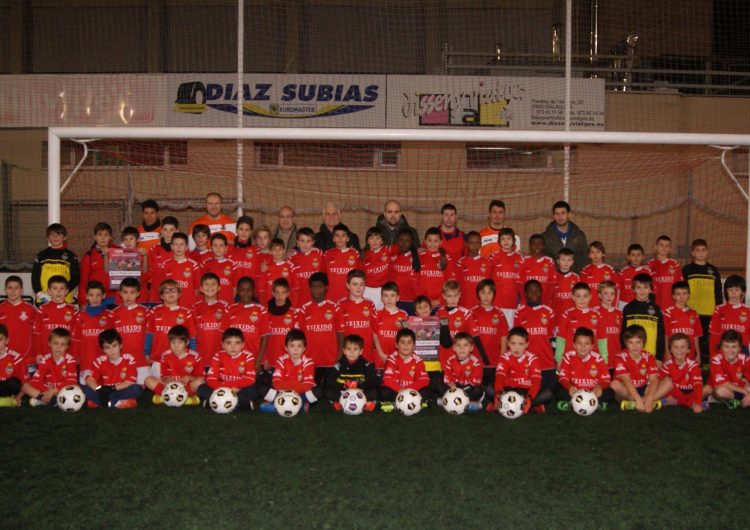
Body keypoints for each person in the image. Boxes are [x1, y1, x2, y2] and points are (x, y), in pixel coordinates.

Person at [490, 327, 550, 414]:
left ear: (527, 344)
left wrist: (530, 397)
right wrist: (498, 392)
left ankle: (504, 405)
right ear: (508, 343)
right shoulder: (504, 357)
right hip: (508, 390)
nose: (516, 348)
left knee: (547, 394)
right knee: (489, 388)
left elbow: (536, 382)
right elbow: (500, 377)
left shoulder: (532, 358)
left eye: (521, 344)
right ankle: (532, 406)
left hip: (525, 391)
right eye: (513, 343)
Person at [259, 329, 321, 413]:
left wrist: (289, 387)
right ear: (286, 348)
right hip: (283, 393)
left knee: (318, 391)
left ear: (304, 348)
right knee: (262, 389)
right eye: (292, 346)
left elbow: (308, 385)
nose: (296, 350)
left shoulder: (308, 362)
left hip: (299, 394)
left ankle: (276, 406)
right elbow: (276, 383)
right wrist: (296, 386)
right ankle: (300, 406)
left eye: (299, 346)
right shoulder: (281, 360)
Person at [296, 272, 343, 379]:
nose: (316, 290)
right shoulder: (304, 309)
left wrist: (340, 353)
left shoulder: (335, 307)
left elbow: (340, 332)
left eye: (319, 287)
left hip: (331, 360)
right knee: (313, 391)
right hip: (310, 360)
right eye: (313, 287)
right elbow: (299, 336)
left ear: (326, 287)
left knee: (329, 392)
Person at [197, 327, 259, 410]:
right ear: (223, 345)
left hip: (239, 389)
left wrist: (234, 388)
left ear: (242, 345)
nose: (233, 347)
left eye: (237, 343)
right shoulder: (218, 356)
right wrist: (226, 388)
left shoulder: (248, 356)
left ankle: (215, 402)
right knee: (202, 388)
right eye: (229, 343)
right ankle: (239, 404)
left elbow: (250, 379)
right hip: (221, 388)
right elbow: (211, 379)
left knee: (253, 390)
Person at [144, 279, 197, 374]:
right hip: (158, 358)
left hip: (180, 358)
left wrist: (193, 354)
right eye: (167, 291)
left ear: (179, 294)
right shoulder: (154, 311)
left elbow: (192, 336)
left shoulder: (186, 313)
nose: (170, 293)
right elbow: (149, 334)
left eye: (173, 290)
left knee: (178, 386)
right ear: (161, 296)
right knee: (159, 386)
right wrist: (147, 352)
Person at [682, 238, 722, 360]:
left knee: (706, 341)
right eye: (697, 250)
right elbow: (682, 290)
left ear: (707, 252)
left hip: (709, 312)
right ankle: (689, 363)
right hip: (692, 312)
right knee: (691, 339)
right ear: (692, 253)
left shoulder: (713, 270)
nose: (700, 253)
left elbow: (718, 290)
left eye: (703, 250)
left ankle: (705, 365)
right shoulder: (687, 270)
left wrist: (718, 309)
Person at [83, 329, 143, 409]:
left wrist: (112, 388)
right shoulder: (99, 361)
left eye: (114, 346)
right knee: (86, 389)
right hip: (103, 391)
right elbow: (89, 379)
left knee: (137, 388)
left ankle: (101, 403)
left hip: (120, 389)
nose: (111, 350)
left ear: (120, 345)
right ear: (103, 349)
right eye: (107, 347)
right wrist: (99, 390)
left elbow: (129, 382)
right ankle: (119, 403)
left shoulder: (129, 359)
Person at [146, 324, 204, 405]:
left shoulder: (195, 356)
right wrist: (168, 379)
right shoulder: (165, 355)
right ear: (169, 342)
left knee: (199, 382)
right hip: (170, 386)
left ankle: (165, 397)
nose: (176, 346)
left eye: (180, 342)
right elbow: (164, 376)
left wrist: (190, 377)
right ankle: (186, 399)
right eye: (173, 342)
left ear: (187, 342)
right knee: (148, 380)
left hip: (186, 387)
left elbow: (201, 377)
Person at [557, 327, 612, 410]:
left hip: (592, 391)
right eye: (579, 343)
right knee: (558, 391)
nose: (583, 347)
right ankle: (596, 404)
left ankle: (572, 404)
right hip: (575, 391)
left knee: (610, 393)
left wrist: (600, 387)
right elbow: (563, 378)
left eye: (587, 344)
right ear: (574, 345)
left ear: (592, 346)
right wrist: (569, 387)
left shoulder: (598, 358)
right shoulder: (568, 357)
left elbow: (606, 380)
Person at [471, 279, 509, 398]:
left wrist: (502, 360)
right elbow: (467, 339)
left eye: (489, 293)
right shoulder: (472, 313)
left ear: (494, 294)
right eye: (483, 292)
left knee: (493, 391)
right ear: (478, 294)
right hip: (476, 363)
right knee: (474, 391)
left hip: (493, 363)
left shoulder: (500, 314)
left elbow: (504, 337)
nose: (486, 296)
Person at [21, 327, 77, 407]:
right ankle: (50, 400)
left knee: (76, 388)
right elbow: (35, 381)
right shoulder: (44, 360)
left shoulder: (70, 360)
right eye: (56, 343)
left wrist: (53, 391)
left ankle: (44, 399)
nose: (59, 347)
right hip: (48, 390)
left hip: (62, 390)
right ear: (49, 343)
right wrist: (48, 391)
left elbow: (72, 381)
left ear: (67, 346)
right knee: (25, 387)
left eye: (63, 344)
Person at [654, 333, 709, 413]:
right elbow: (661, 384)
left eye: (682, 347)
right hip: (674, 393)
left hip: (690, 394)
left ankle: (681, 402)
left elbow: (697, 385)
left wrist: (697, 403)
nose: (679, 350)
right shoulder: (667, 365)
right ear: (671, 350)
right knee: (665, 383)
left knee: (706, 389)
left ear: (688, 350)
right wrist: (669, 395)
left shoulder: (693, 365)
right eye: (676, 347)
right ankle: (682, 402)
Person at [610, 325, 660, 412]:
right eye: (631, 342)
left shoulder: (649, 356)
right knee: (614, 384)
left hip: (644, 388)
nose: (635, 346)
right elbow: (626, 381)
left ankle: (640, 402)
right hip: (627, 390)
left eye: (638, 342)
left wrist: (649, 398)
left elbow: (654, 380)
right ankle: (640, 401)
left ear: (643, 342)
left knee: (668, 382)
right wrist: (638, 400)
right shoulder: (619, 357)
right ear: (626, 343)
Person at [71, 280, 114, 382]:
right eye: (91, 295)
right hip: (86, 362)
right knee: (88, 389)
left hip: (105, 361)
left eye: (98, 295)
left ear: (103, 296)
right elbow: (76, 340)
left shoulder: (109, 315)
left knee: (104, 388)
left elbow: (113, 340)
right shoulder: (80, 316)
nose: (94, 298)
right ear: (86, 296)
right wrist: (75, 357)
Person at [380, 328, 431, 412]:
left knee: (427, 391)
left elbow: (424, 380)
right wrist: (400, 390)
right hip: (397, 391)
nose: (406, 345)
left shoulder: (418, 360)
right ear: (396, 345)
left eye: (409, 342)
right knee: (384, 392)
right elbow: (387, 380)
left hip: (412, 391)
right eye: (402, 342)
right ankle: (417, 403)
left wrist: (408, 390)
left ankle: (395, 404)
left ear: (414, 346)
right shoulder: (391, 359)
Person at [111, 277, 150, 384]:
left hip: (141, 357)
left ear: (138, 293)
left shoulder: (145, 312)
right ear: (120, 293)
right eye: (125, 292)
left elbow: (150, 335)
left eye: (132, 292)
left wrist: (148, 352)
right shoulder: (114, 314)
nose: (128, 296)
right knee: (124, 384)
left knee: (143, 385)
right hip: (122, 358)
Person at [324, 334, 378, 410]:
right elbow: (330, 380)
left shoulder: (366, 365)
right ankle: (343, 402)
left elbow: (372, 381)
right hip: (343, 392)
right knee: (327, 392)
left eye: (355, 349)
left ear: (361, 351)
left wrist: (358, 386)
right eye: (349, 349)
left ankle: (360, 403)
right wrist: (344, 386)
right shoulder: (339, 365)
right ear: (344, 351)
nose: (352, 352)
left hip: (360, 392)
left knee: (374, 393)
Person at [514, 280, 555, 379]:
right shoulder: (519, 312)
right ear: (525, 294)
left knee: (549, 393)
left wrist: (555, 358)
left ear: (541, 292)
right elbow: (517, 341)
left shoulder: (549, 312)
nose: (534, 293)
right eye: (530, 291)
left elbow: (551, 339)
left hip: (546, 363)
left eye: (537, 290)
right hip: (527, 363)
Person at [149, 232, 203, 308]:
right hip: (169, 307)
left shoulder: (194, 265)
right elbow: (161, 288)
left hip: (188, 307)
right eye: (176, 244)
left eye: (182, 244)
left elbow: (197, 290)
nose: (178, 247)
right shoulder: (165, 265)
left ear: (186, 247)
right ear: (171, 246)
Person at [32, 223, 80, 304]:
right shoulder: (41, 255)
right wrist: (40, 294)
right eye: (52, 234)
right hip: (44, 300)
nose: (55, 237)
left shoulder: (71, 256)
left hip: (65, 299)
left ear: (64, 237)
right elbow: (35, 276)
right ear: (47, 238)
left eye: (58, 234)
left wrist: (64, 292)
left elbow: (76, 277)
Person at [32, 275, 78, 360]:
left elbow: (75, 337)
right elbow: (37, 334)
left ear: (66, 291)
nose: (58, 292)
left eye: (62, 288)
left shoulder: (73, 311)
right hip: (45, 357)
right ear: (49, 291)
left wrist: (73, 355)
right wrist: (38, 353)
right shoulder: (42, 310)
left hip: (66, 358)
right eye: (55, 288)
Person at [435, 332, 484, 411]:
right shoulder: (450, 361)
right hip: (454, 386)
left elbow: (475, 382)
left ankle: (449, 401)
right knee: (438, 382)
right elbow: (448, 378)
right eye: (458, 345)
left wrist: (460, 391)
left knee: (478, 390)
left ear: (471, 348)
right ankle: (465, 403)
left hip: (468, 388)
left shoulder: (476, 362)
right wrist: (451, 384)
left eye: (465, 345)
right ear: (454, 348)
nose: (462, 348)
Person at [621, 273, 665, 361]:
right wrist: (624, 351)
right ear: (633, 289)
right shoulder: (628, 308)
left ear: (651, 289)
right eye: (638, 287)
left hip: (651, 355)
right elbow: (624, 332)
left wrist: (659, 357)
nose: (642, 291)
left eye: (645, 287)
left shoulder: (656, 309)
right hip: (632, 354)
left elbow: (661, 334)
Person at [338, 269, 378, 365]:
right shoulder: (340, 305)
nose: (359, 288)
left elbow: (375, 331)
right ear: (348, 285)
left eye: (362, 284)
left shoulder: (370, 304)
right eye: (355, 284)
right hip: (348, 357)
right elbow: (338, 333)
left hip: (368, 356)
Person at [555, 283, 602, 362]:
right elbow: (561, 338)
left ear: (590, 297)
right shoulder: (567, 314)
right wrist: (559, 358)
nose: (582, 299)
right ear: (573, 297)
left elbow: (602, 339)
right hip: (570, 358)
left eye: (585, 296)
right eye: (578, 296)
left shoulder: (597, 315)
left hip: (592, 358)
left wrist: (604, 357)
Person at [259, 278, 298, 371]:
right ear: (272, 293)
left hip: (287, 361)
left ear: (288, 293)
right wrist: (264, 358)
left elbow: (296, 340)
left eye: (283, 292)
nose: (280, 296)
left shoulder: (294, 313)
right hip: (269, 361)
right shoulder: (265, 313)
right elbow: (262, 337)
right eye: (277, 292)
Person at [0, 275, 37, 371]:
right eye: (10, 288)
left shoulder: (31, 310)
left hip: (27, 360)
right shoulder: (1, 309)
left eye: (16, 288)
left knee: (27, 386)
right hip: (4, 360)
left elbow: (37, 335)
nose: (13, 291)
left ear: (22, 290)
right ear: (5, 290)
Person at [226, 276, 269, 358]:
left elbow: (264, 337)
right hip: (232, 358)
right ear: (238, 291)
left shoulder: (262, 311)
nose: (246, 293)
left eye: (249, 290)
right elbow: (224, 336)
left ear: (253, 291)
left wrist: (259, 360)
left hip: (253, 358)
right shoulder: (229, 309)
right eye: (242, 290)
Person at [193, 273, 229, 370]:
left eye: (213, 284)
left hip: (220, 359)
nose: (210, 287)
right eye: (206, 284)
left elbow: (229, 335)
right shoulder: (194, 308)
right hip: (200, 358)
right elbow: (191, 335)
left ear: (219, 288)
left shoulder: (226, 308)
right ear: (200, 288)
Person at [488, 227, 523, 327]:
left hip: (513, 302)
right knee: (497, 329)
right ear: (499, 242)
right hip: (497, 302)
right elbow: (488, 279)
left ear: (514, 241)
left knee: (511, 331)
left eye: (509, 238)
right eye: (503, 239)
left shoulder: (519, 257)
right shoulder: (494, 256)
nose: (506, 241)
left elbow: (522, 280)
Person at [542, 201, 588, 273]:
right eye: (557, 213)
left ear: (568, 214)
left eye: (563, 213)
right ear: (553, 216)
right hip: (554, 278)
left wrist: (580, 275)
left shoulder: (579, 235)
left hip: (575, 279)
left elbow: (585, 258)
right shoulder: (545, 237)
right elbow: (543, 259)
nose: (560, 217)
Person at [78, 222, 118, 306]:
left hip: (116, 298)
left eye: (106, 235)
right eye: (100, 235)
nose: (103, 238)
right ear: (95, 237)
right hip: (95, 299)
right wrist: (83, 302)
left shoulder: (119, 252)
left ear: (111, 237)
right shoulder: (89, 256)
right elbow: (83, 280)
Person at [709, 329, 750, 409]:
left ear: (740, 348)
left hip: (740, 387)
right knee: (720, 391)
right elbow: (722, 383)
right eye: (726, 346)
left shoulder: (745, 359)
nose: (730, 350)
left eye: (734, 347)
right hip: (728, 390)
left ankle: (738, 403)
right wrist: (745, 392)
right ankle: (742, 402)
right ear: (721, 348)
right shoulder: (716, 359)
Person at [663, 282, 703, 361]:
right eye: (678, 294)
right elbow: (665, 335)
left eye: (684, 293)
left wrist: (698, 354)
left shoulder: (694, 314)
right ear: (673, 296)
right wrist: (667, 351)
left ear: (689, 295)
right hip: (674, 354)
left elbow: (696, 336)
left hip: (690, 355)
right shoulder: (668, 313)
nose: (681, 297)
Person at [372, 282, 408, 370]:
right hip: (380, 358)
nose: (389, 299)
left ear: (398, 297)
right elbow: (374, 335)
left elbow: (406, 338)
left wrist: (402, 328)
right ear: (381, 298)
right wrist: (381, 354)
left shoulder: (404, 315)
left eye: (392, 295)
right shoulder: (377, 314)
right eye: (386, 295)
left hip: (398, 359)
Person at [323, 224, 362, 302]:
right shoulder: (327, 254)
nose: (340, 238)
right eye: (337, 236)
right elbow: (323, 276)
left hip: (350, 297)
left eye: (343, 236)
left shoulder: (354, 254)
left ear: (347, 239)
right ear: (333, 239)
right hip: (331, 298)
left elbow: (359, 276)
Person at [418, 227, 454, 308]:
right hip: (422, 303)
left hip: (440, 303)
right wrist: (423, 300)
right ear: (425, 241)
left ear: (441, 242)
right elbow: (415, 282)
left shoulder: (446, 258)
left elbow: (450, 283)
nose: (432, 244)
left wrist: (439, 300)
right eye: (430, 240)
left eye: (436, 241)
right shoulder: (419, 257)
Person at [145, 216, 179, 302]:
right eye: (165, 229)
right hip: (156, 296)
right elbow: (148, 275)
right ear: (161, 230)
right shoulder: (153, 250)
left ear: (177, 231)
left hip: (175, 297)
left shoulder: (182, 251)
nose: (168, 233)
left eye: (172, 230)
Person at [289, 227, 324, 307]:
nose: (305, 244)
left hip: (316, 300)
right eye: (302, 241)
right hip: (298, 301)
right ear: (297, 242)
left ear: (313, 242)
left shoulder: (319, 254)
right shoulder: (291, 258)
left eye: (308, 241)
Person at [389, 228, 420, 314]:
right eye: (401, 240)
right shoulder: (391, 255)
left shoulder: (417, 257)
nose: (404, 244)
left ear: (411, 243)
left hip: (411, 301)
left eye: (407, 241)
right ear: (397, 241)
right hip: (393, 300)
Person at [580, 241, 620, 308]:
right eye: (592, 252)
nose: (595, 255)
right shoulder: (585, 271)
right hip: (589, 308)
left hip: (606, 308)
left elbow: (617, 290)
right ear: (589, 255)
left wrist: (614, 307)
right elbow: (581, 291)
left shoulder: (610, 270)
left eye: (598, 252)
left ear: (603, 254)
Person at [202, 233, 239, 305]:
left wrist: (230, 301)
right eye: (215, 245)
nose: (218, 248)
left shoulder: (232, 265)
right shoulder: (205, 264)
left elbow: (235, 287)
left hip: (227, 303)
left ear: (226, 248)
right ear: (211, 248)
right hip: (210, 303)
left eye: (221, 245)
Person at [648, 235, 684, 310]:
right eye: (661, 245)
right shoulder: (649, 265)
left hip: (672, 306)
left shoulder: (675, 264)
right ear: (655, 247)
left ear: (670, 249)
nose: (664, 248)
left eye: (667, 246)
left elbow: (680, 287)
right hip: (655, 306)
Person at [520, 234, 557, 307]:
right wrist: (524, 300)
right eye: (534, 244)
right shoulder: (524, 261)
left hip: (545, 303)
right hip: (528, 302)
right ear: (530, 246)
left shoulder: (549, 261)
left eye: (540, 243)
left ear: (544, 246)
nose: (537, 246)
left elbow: (552, 284)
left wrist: (547, 301)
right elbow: (520, 284)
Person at [257, 238, 296, 306]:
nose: (278, 252)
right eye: (274, 250)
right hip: (269, 306)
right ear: (270, 252)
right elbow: (262, 290)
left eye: (280, 249)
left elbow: (294, 289)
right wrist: (264, 306)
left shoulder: (290, 267)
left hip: (286, 306)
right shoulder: (265, 268)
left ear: (284, 250)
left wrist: (292, 306)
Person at [456, 231, 490, 309]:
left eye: (477, 242)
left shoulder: (487, 263)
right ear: (466, 244)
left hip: (482, 305)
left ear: (481, 244)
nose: (474, 245)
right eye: (471, 242)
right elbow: (457, 285)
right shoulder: (460, 262)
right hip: (465, 304)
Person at [594, 280, 622, 367]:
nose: (609, 296)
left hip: (616, 357)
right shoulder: (594, 313)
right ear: (599, 295)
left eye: (612, 293)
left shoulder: (619, 313)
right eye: (606, 293)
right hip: (599, 358)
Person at [362, 226, 390, 310]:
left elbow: (402, 246)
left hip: (382, 290)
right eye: (371, 238)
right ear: (367, 240)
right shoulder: (363, 256)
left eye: (377, 238)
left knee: (381, 315)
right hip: (367, 290)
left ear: (382, 241)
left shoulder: (387, 251)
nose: (374, 241)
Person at [0, 323, 27, 407]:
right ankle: (6, 401)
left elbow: (25, 382)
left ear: (7, 340)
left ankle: (10, 400)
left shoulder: (16, 357)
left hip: (7, 387)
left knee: (14, 382)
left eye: (0, 339)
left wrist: (19, 396)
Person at [550, 248, 579, 316]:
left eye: (569, 260)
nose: (566, 262)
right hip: (557, 313)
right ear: (558, 261)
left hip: (572, 313)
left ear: (572, 262)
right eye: (563, 259)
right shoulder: (553, 277)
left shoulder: (576, 277)